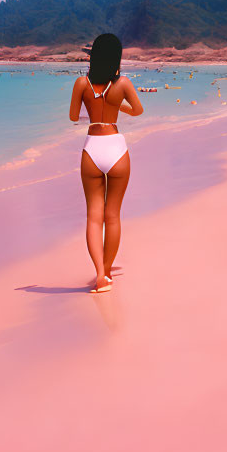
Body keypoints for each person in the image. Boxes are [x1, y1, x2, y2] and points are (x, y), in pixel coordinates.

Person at [69, 33, 144, 293]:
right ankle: (109, 271)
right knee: (112, 216)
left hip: (91, 149)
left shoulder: (81, 83)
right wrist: (117, 108)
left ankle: (100, 275)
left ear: (93, 56)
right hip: (116, 147)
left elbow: (72, 116)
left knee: (93, 217)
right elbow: (138, 110)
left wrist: (94, 106)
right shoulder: (123, 83)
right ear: (116, 58)